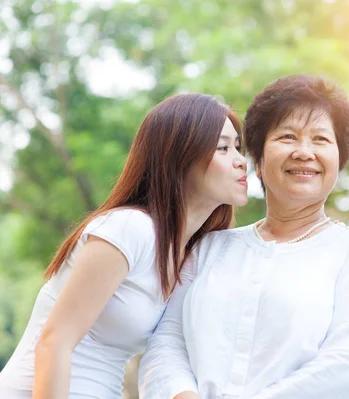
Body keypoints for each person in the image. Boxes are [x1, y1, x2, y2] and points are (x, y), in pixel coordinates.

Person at [138, 75, 349, 399]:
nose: (304, 152)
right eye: (288, 137)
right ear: (256, 161)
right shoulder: (209, 247)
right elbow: (166, 343)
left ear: (338, 162)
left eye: (320, 140)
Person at [0, 94, 248, 399]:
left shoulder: (191, 255)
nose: (241, 160)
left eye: (238, 147)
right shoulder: (130, 229)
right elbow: (54, 342)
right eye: (223, 148)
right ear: (178, 158)